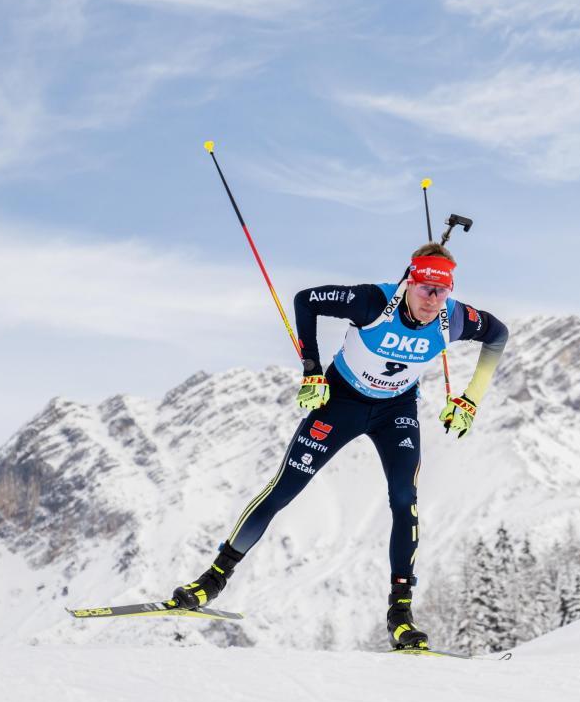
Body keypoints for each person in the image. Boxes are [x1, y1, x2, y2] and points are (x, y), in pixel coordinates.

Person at [167, 242, 509, 649]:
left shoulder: (454, 318)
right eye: (425, 289)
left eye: (442, 291)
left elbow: (498, 334)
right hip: (341, 402)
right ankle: (213, 580)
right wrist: (312, 370)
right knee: (283, 489)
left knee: (405, 500)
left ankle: (400, 614)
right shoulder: (373, 302)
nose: (433, 301)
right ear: (409, 281)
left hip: (395, 411)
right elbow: (306, 300)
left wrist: (470, 399)